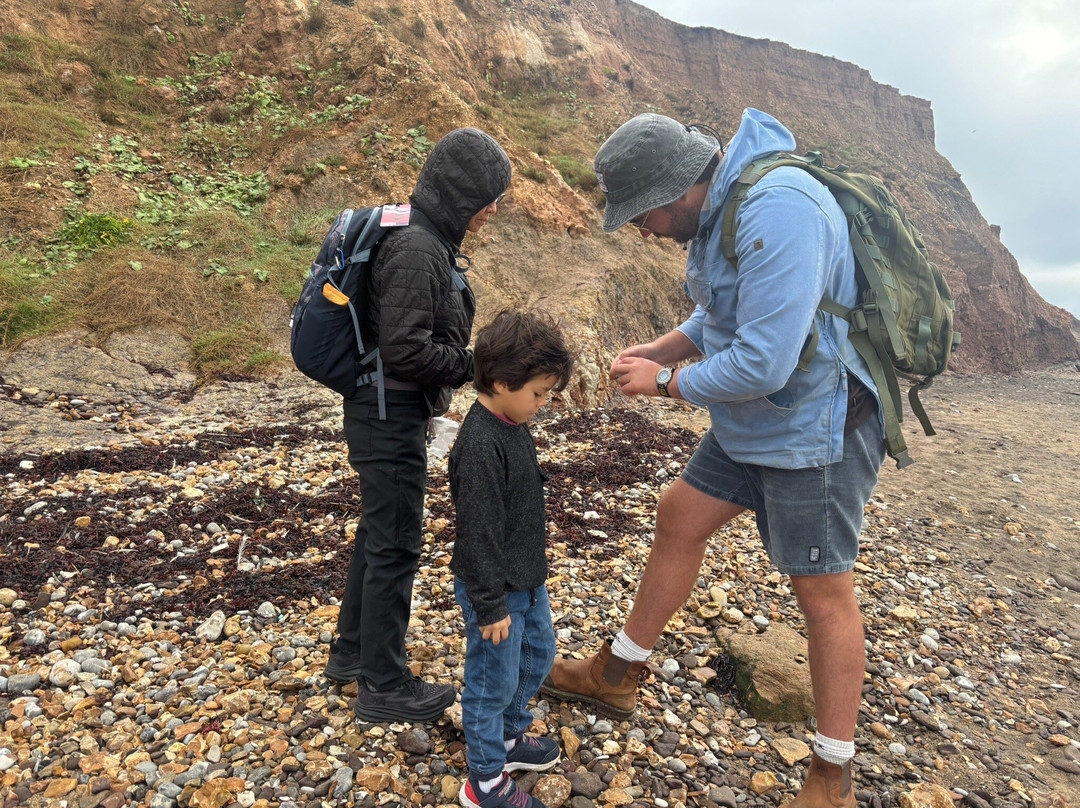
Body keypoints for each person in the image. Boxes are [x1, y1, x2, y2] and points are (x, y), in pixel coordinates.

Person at [539, 109, 886, 808]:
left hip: (815, 427)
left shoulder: (780, 209)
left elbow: (764, 359)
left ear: (678, 191)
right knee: (679, 516)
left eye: (645, 216)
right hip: (754, 419)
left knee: (821, 591)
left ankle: (832, 776)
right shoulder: (720, 209)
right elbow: (721, 313)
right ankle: (617, 675)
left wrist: (666, 383)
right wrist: (662, 348)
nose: (643, 231)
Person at [324, 128, 512, 724]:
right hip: (388, 414)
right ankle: (384, 685)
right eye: (488, 198)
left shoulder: (423, 237)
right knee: (397, 543)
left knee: (379, 535)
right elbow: (405, 350)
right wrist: (477, 367)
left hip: (386, 409)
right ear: (462, 193)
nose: (492, 210)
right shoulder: (417, 248)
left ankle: (351, 654)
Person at [449, 309, 575, 808]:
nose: (542, 405)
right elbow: (477, 534)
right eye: (538, 394)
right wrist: (489, 605)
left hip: (526, 578)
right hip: (495, 589)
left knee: (537, 654)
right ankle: (484, 780)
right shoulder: (480, 444)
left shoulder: (511, 421)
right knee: (491, 680)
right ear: (502, 382)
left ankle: (508, 735)